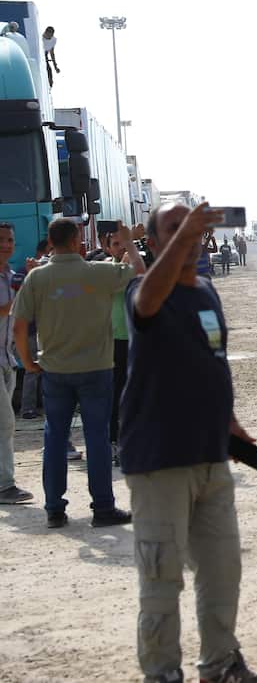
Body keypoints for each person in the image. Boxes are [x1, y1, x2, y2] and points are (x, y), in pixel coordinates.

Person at [121, 202, 257, 683]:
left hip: (211, 457)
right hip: (159, 461)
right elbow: (147, 302)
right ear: (155, 241)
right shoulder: (143, 293)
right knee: (162, 577)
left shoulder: (207, 292)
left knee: (223, 569)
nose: (186, 232)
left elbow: (213, 360)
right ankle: (162, 673)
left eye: (191, 225)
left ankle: (221, 663)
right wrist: (184, 240)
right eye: (174, 227)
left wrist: (231, 424)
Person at [12, 217, 145, 529]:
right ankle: (102, 508)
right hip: (96, 368)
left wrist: (28, 363)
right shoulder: (98, 272)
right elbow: (139, 270)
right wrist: (128, 241)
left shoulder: (37, 279)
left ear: (51, 240)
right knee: (96, 438)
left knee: (54, 438)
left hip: (55, 369)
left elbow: (19, 325)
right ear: (76, 240)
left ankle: (55, 509)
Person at [0, 222, 34, 504]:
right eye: (1, 240)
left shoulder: (11, 276)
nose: (6, 245)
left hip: (6, 358)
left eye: (10, 239)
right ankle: (5, 485)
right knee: (5, 422)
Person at [108, 231, 136, 467]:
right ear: (107, 248)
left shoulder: (136, 267)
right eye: (116, 244)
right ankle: (113, 443)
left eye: (123, 244)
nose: (120, 248)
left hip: (135, 340)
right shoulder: (104, 269)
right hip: (114, 341)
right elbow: (118, 280)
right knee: (115, 395)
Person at [18, 238, 50, 421]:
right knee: (32, 370)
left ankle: (37, 405)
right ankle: (28, 408)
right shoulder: (29, 273)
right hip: (31, 330)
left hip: (36, 329)